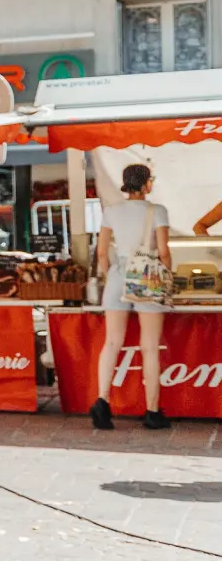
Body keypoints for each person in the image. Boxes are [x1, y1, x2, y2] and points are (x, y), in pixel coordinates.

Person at [91, 163, 173, 432]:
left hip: (117, 276)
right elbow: (163, 251)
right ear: (146, 183)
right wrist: (167, 278)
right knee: (149, 346)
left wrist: (110, 276)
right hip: (147, 273)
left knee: (112, 342)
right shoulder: (157, 211)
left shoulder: (111, 212)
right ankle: (152, 411)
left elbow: (102, 252)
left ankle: (102, 403)